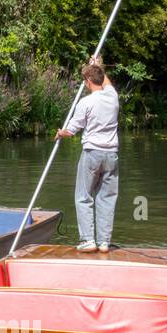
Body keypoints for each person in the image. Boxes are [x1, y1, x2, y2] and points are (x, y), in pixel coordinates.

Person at [56, 57, 118, 253]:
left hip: (92, 153)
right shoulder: (113, 96)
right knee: (107, 198)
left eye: (84, 80)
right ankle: (104, 242)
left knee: (83, 197)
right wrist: (98, 66)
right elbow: (105, 82)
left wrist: (60, 132)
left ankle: (88, 240)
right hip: (111, 155)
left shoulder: (86, 102)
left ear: (88, 82)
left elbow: (72, 130)